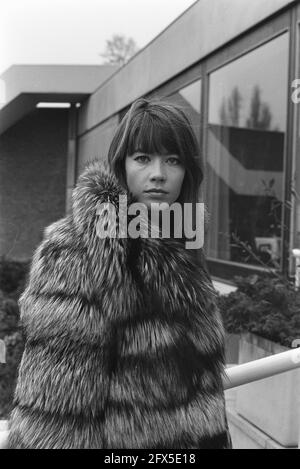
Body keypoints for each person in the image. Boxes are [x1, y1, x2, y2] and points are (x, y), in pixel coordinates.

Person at [6, 98, 232, 449]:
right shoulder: (76, 254)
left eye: (173, 160)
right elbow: (61, 414)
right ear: (121, 166)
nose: (159, 173)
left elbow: (203, 394)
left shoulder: (183, 246)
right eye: (143, 158)